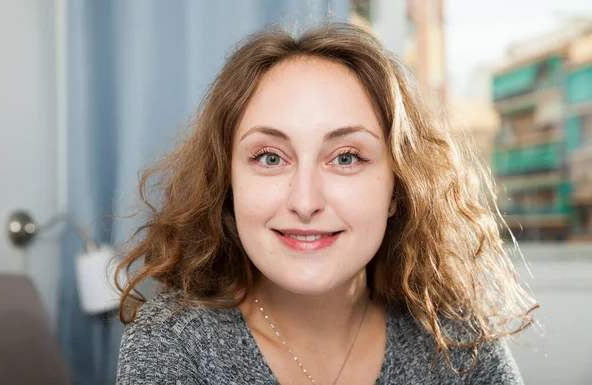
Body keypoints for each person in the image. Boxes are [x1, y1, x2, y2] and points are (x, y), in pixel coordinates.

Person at [115, 23, 538, 385]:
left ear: (398, 187)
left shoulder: (457, 338)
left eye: (347, 158)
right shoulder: (174, 342)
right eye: (270, 158)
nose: (305, 201)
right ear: (228, 182)